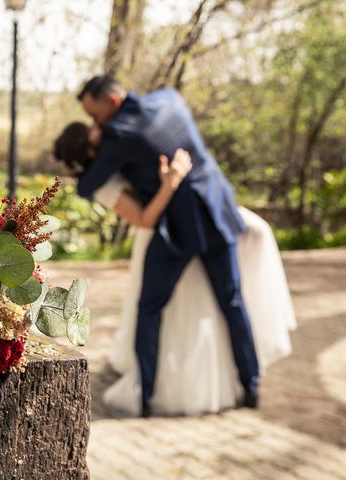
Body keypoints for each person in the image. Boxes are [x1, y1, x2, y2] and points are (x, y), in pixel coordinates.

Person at [54, 122, 297, 416]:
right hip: (165, 236)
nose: (102, 129)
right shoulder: (103, 183)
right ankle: (148, 391)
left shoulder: (127, 148)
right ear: (87, 147)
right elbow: (145, 219)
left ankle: (247, 383)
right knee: (158, 309)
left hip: (199, 225)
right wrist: (171, 183)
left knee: (217, 303)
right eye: (93, 130)